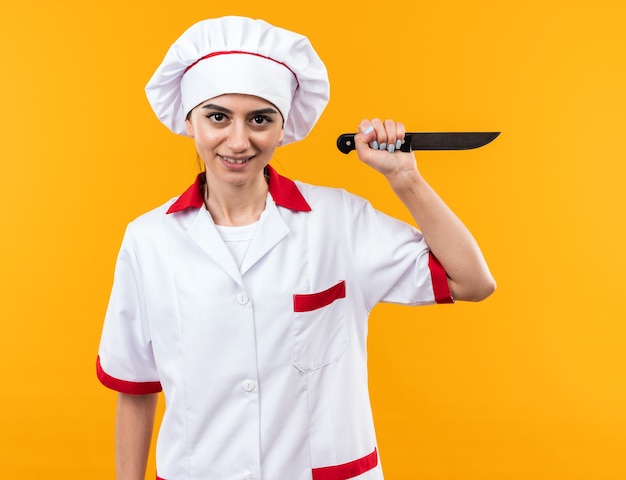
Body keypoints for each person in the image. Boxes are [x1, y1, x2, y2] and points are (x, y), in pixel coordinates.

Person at [96, 15, 496, 480]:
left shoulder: (339, 221)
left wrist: (405, 179)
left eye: (260, 119)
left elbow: (473, 282)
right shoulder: (148, 240)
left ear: (283, 127)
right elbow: (135, 387)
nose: (238, 141)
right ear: (189, 121)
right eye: (218, 116)